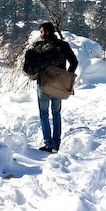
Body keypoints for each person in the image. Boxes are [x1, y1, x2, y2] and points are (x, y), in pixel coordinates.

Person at [22, 22, 79, 153]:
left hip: (43, 83)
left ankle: (48, 143)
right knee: (56, 113)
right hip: (58, 85)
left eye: (41, 31)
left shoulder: (38, 47)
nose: (40, 34)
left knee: (43, 114)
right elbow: (74, 62)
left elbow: (30, 67)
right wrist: (66, 75)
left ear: (46, 32)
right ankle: (57, 143)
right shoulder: (63, 45)